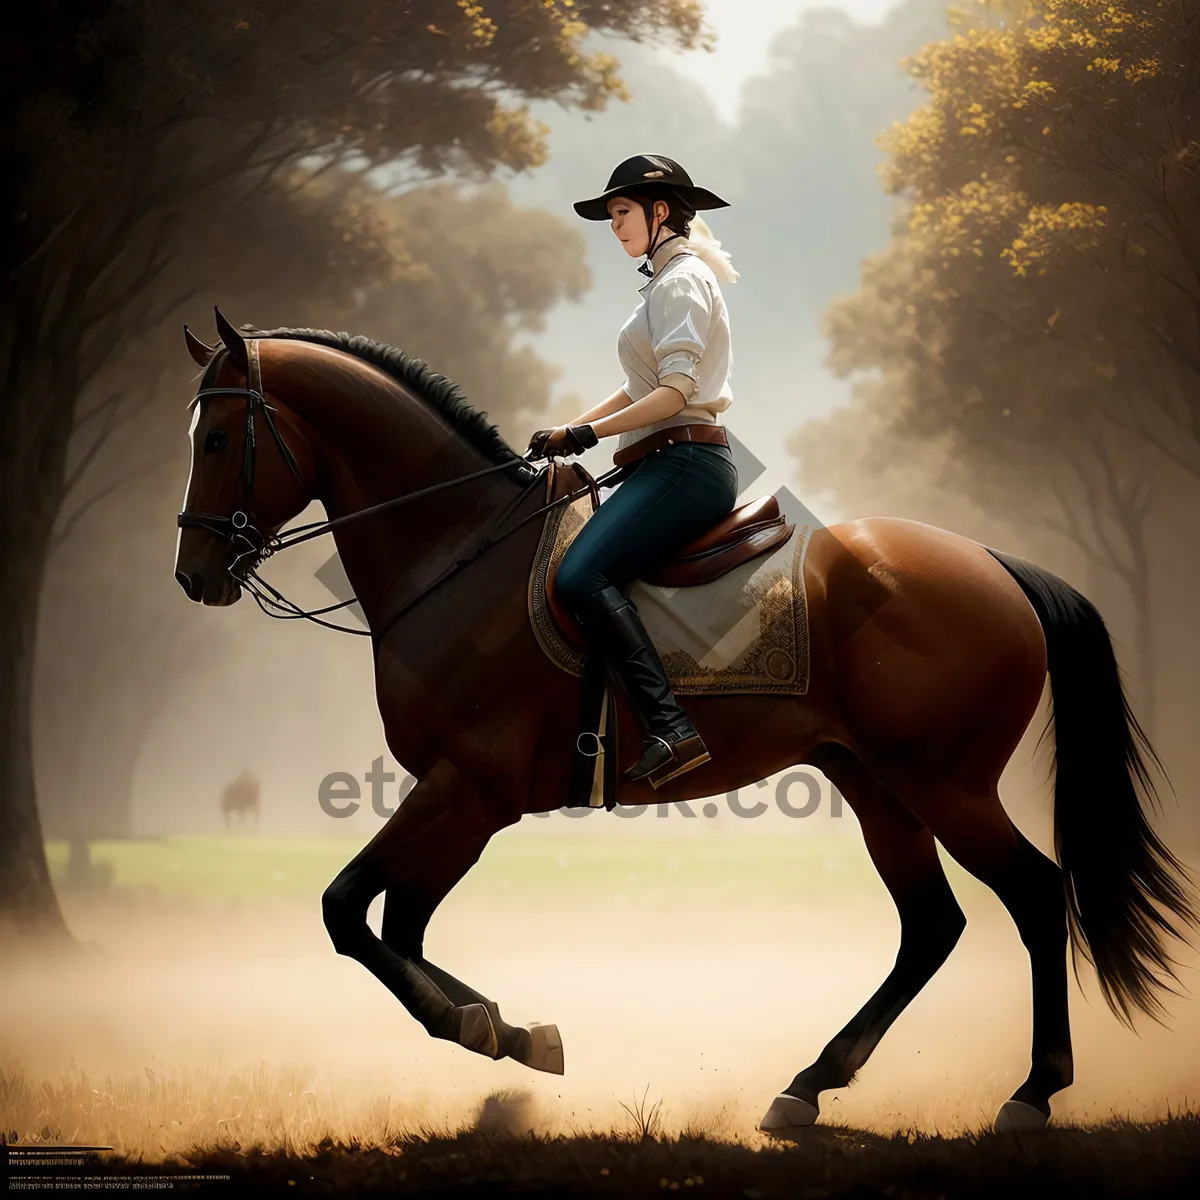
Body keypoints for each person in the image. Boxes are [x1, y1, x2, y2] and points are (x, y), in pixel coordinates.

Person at [527, 154, 741, 787]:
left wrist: (588, 434)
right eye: (612, 216)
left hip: (687, 461)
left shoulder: (680, 282)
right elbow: (635, 389)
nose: (615, 226)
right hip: (667, 459)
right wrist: (571, 429)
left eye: (621, 213)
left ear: (659, 212)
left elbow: (674, 393)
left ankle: (671, 728)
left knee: (580, 576)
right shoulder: (664, 282)